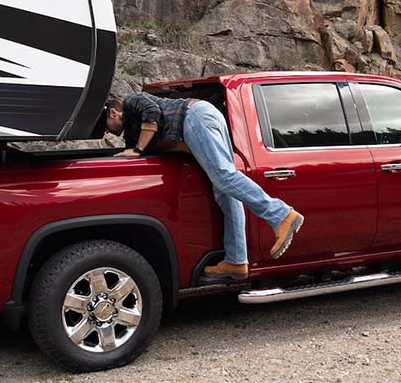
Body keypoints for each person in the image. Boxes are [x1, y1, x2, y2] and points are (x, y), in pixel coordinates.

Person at [106, 93, 303, 280]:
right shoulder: (133, 133)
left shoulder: (132, 102)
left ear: (114, 113)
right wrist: (134, 150)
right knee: (225, 192)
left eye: (105, 125)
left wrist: (138, 150)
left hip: (195, 116)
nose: (107, 131)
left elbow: (153, 112)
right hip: (204, 116)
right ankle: (236, 260)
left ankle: (281, 215)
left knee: (224, 176)